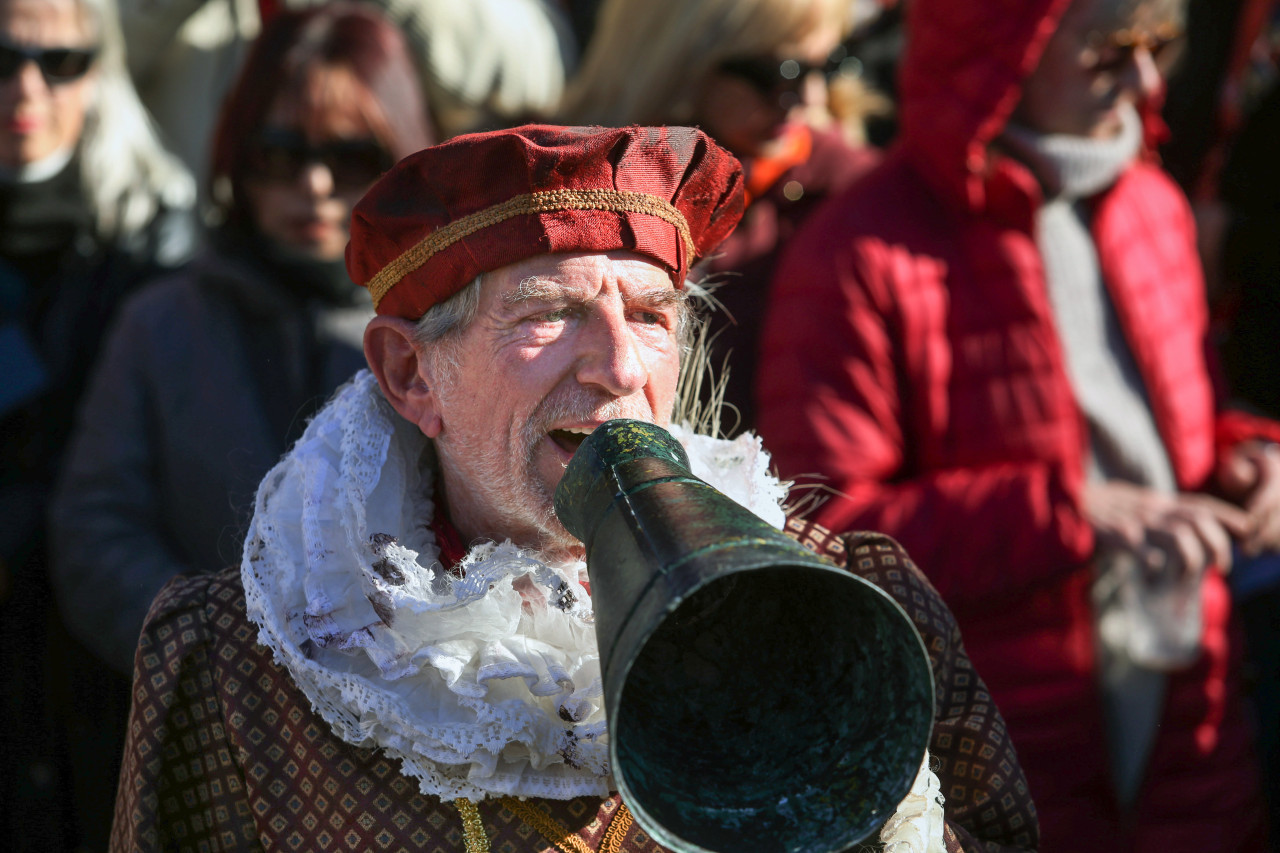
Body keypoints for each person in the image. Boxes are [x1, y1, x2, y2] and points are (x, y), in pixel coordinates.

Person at [108, 123, 1039, 852]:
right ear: (410, 375)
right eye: (550, 313)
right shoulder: (245, 666)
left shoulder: (849, 603)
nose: (621, 365)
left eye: (650, 313)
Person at [756, 0, 1278, 849]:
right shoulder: (862, 251)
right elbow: (823, 539)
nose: (1146, 81)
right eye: (1111, 50)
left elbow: (1191, 428)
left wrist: (1248, 459)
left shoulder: (1154, 206)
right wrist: (1071, 514)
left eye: (1162, 48)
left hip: (1189, 744)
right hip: (1000, 770)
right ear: (999, 46)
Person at [50, 2, 436, 678]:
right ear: (236, 155)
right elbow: (95, 531)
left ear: (403, 158)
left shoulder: (448, 329)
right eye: (279, 155)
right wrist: (219, 655)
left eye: (351, 157)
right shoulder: (162, 322)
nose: (313, 186)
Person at [0, 0, 196, 847]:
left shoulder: (159, 240)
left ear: (102, 69)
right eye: (1, 57)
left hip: (100, 664)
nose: (26, 87)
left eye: (62, 62)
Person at [555, 0, 884, 435]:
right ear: (681, 58)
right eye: (780, 74)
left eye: (828, 66)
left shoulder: (853, 192)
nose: (808, 98)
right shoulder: (552, 175)